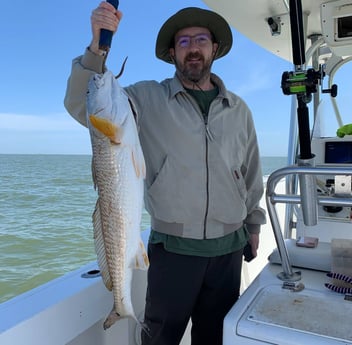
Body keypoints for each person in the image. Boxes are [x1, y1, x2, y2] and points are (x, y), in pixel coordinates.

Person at [64, 3, 266, 345]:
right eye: (183, 42)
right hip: (174, 252)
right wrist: (97, 48)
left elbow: (250, 172)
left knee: (216, 338)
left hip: (228, 251)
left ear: (214, 48)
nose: (193, 48)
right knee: (160, 339)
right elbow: (84, 105)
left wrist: (254, 223)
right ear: (172, 53)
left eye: (201, 39)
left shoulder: (239, 110)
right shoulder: (145, 98)